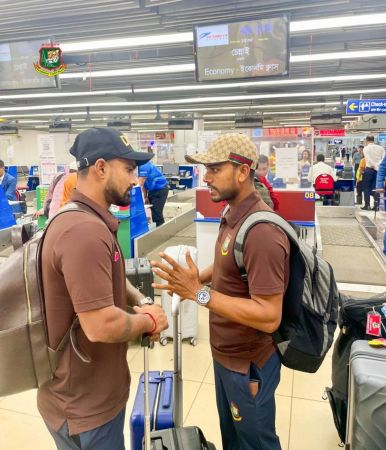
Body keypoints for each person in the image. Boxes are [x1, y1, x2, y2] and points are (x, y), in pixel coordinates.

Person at [152, 133, 290, 450]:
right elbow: (229, 262)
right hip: (227, 357)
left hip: (249, 365)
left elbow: (269, 316)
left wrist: (199, 293)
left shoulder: (262, 233)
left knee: (255, 442)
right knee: (234, 440)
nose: (206, 176)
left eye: (215, 168)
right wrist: (194, 278)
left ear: (243, 172)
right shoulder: (232, 215)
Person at [37, 127, 168, 450]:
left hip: (86, 395)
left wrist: (141, 301)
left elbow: (109, 279)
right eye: (128, 169)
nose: (135, 180)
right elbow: (100, 325)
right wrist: (149, 321)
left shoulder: (86, 219)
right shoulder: (83, 232)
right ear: (100, 168)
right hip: (85, 408)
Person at [138, 161, 169, 226]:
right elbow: (144, 184)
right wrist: (145, 197)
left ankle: (160, 233)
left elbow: (140, 183)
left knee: (157, 214)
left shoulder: (144, 166)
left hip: (160, 189)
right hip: (152, 190)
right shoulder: (138, 167)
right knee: (153, 212)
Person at [361, 135, 385, 210]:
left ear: (366, 140)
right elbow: (383, 158)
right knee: (376, 187)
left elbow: (368, 159)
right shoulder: (381, 148)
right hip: (378, 170)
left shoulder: (366, 148)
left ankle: (367, 205)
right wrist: (378, 166)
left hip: (369, 169)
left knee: (366, 188)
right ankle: (376, 206)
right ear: (373, 140)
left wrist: (374, 165)